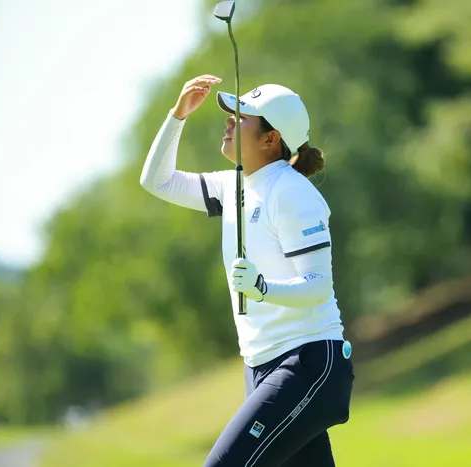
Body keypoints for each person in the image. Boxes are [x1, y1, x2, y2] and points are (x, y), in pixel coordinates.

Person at [139, 74, 354, 467]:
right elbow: (158, 181)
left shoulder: (292, 193)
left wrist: (262, 287)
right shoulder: (233, 186)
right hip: (261, 367)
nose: (229, 121)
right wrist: (177, 115)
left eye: (241, 117)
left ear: (270, 139)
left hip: (308, 364)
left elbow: (319, 286)